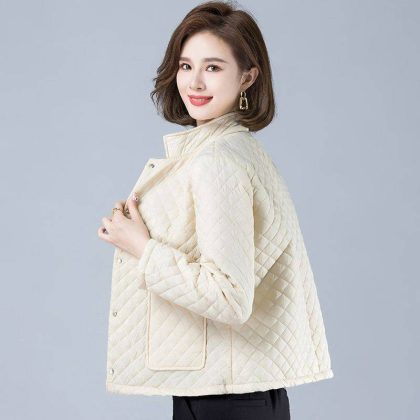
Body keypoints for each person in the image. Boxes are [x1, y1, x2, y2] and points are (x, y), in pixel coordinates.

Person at [98, 1, 334, 419]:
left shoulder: (217, 161)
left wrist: (142, 248)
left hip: (226, 400)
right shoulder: (236, 150)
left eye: (213, 67)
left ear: (247, 76)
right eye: (185, 66)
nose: (195, 82)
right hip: (235, 390)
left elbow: (228, 296)